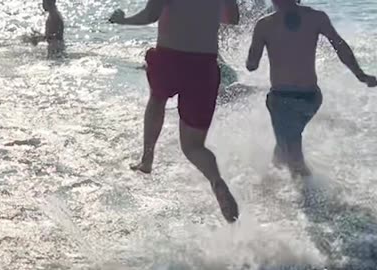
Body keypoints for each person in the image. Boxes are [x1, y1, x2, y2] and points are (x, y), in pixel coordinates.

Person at [109, 0, 240, 223]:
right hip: (204, 65)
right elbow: (232, 19)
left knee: (157, 100)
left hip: (170, 58)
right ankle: (216, 180)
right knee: (193, 146)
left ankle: (147, 157)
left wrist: (123, 20)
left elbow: (150, 15)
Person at [246, 0, 377, 178]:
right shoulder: (316, 17)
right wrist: (360, 75)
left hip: (282, 101)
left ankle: (313, 199)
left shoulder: (264, 24)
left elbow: (252, 65)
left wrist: (254, 55)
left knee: (292, 153)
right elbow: (340, 46)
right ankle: (273, 181)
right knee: (287, 142)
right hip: (311, 98)